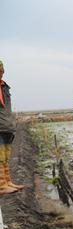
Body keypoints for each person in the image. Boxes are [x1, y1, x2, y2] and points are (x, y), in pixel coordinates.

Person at [0, 60, 24, 195]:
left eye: (2, 70)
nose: (1, 73)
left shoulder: (4, 87)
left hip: (6, 126)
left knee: (5, 156)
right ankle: (1, 185)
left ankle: (7, 181)